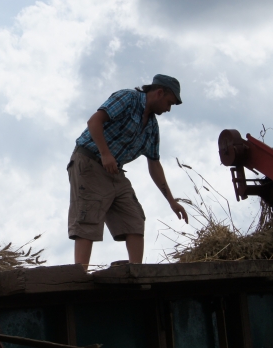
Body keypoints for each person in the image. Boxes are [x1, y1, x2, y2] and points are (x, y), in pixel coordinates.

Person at [68, 74, 189, 267]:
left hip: (114, 171)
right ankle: (80, 274)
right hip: (89, 162)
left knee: (134, 218)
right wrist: (106, 154)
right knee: (88, 218)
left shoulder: (151, 126)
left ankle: (136, 271)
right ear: (159, 93)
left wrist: (172, 201)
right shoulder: (128, 98)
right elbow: (94, 122)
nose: (168, 109)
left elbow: (154, 164)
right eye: (169, 103)